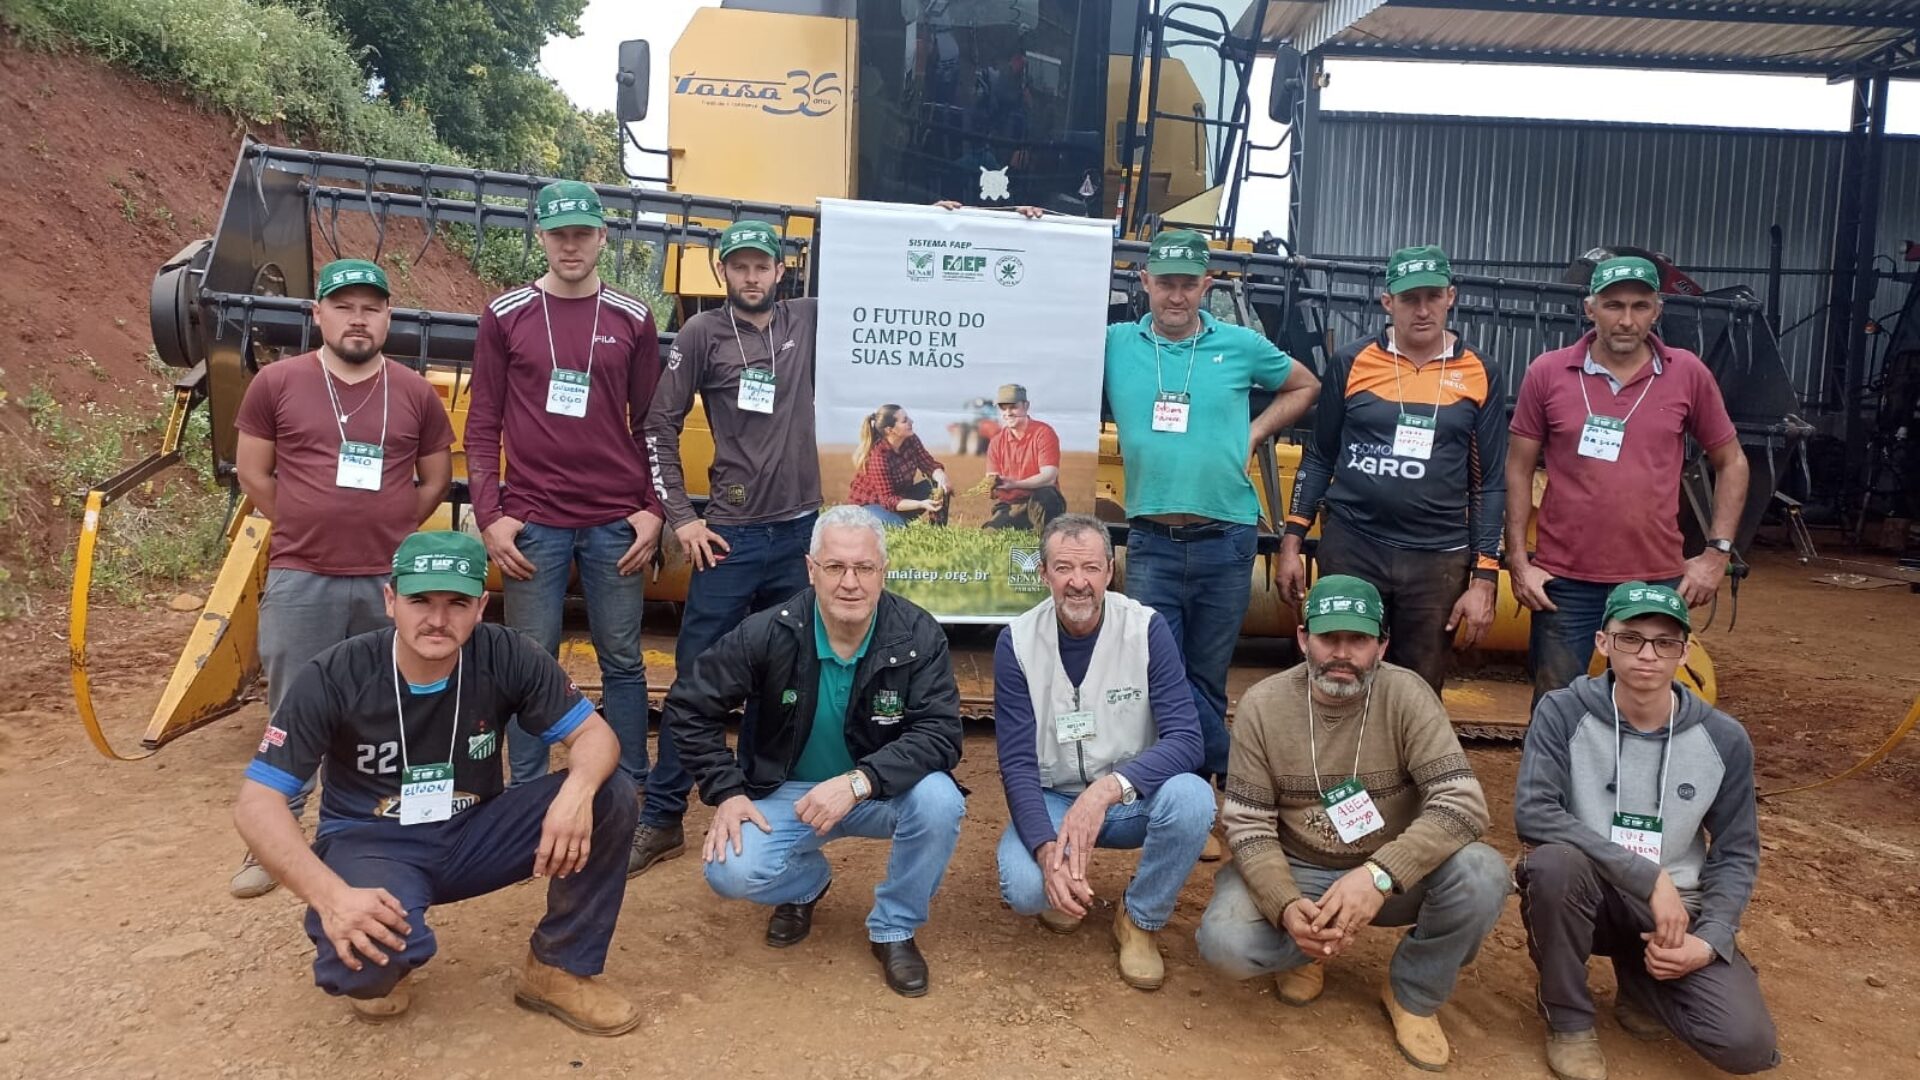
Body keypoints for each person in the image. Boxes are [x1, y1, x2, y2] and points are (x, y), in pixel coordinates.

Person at [232, 531, 641, 1032]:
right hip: (375, 841)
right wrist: (331, 896)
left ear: (480, 606)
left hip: (474, 833)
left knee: (609, 793)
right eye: (420, 600)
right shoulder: (336, 674)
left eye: (457, 603)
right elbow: (257, 802)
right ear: (390, 600)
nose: (438, 619)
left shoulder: (507, 653)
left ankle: (558, 969)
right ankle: (379, 944)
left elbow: (595, 736)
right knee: (366, 967)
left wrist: (576, 794)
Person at [1197, 575, 1508, 1072]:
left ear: (1381, 646)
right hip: (1302, 870)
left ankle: (1413, 992)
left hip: (1393, 877)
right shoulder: (1262, 705)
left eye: (1358, 640)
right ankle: (1308, 949)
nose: (1342, 654)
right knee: (1225, 943)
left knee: (1483, 873)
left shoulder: (1408, 696)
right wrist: (1285, 906)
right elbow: (1249, 824)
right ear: (1304, 639)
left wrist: (1378, 875)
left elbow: (1463, 802)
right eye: (1329, 638)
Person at [663, 506, 966, 998]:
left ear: (882, 572)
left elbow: (940, 734)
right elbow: (689, 705)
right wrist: (727, 791)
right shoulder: (768, 632)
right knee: (728, 872)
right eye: (835, 567)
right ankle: (806, 885)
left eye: (864, 568)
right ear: (811, 570)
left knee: (940, 801)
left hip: (874, 791)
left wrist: (858, 782)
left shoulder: (917, 634)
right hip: (789, 792)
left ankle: (894, 927)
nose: (850, 582)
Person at [228, 258, 454, 898]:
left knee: (393, 707)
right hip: (303, 575)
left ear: (388, 318)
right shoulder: (276, 383)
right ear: (318, 314)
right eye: (345, 306)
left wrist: (385, 529)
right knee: (293, 708)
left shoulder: (413, 391)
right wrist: (306, 521)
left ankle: (389, 834)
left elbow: (435, 481)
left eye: (371, 307)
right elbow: (253, 473)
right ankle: (272, 845)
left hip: (390, 578)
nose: (359, 318)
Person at [465, 180, 664, 866]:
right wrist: (491, 515)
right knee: (529, 661)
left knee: (623, 661)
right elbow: (483, 421)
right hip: (535, 524)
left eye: (583, 232)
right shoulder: (506, 314)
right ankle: (526, 797)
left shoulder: (634, 318)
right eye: (558, 234)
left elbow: (653, 424)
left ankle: (629, 789)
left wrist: (653, 509)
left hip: (614, 521)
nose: (571, 245)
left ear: (603, 237)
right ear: (541, 238)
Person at [1514, 581, 1778, 1079]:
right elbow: (1534, 812)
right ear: (1602, 642)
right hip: (1589, 892)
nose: (1646, 656)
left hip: (1676, 910)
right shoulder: (1563, 711)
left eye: (1664, 643)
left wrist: (1713, 936)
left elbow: (1736, 851)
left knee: (1746, 1045)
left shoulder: (1724, 739)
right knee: (1553, 865)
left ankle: (1641, 979)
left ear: (1684, 653)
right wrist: (1647, 876)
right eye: (1630, 639)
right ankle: (1568, 1020)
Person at [1104, 228, 1320, 808]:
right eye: (1165, 284)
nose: (1176, 297)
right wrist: (1031, 225)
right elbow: (1046, 313)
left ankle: (1195, 795)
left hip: (1226, 537)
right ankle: (1251, 773)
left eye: (1188, 285)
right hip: (1152, 538)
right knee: (1161, 671)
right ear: (1145, 283)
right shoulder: (1116, 342)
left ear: (1207, 284)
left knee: (1205, 673)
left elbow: (1305, 385)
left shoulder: (1241, 345)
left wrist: (1254, 431)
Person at [636, 219, 822, 873]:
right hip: (730, 539)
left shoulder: (808, 319)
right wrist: (681, 518)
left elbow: (893, 281)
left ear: (780, 272)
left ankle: (763, 813)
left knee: (787, 682)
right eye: (738, 266)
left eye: (761, 265)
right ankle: (663, 817)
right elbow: (658, 423)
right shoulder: (702, 334)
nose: (751, 276)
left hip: (801, 533)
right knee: (698, 682)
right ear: (722, 272)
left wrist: (940, 219)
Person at [1506, 256, 1750, 705]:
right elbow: (1518, 467)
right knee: (1556, 703)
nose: (1626, 319)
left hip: (1655, 577)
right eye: (1613, 305)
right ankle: (1552, 779)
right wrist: (1520, 563)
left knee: (1648, 700)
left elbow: (1732, 461)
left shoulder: (1687, 373)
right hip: (1565, 581)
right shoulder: (1548, 372)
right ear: (1589, 308)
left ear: (1657, 310)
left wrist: (1717, 554)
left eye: (1640, 306)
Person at [992, 514, 1212, 991]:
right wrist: (1047, 849)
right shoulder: (1017, 642)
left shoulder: (1146, 629)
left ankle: (1139, 919)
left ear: (1110, 571)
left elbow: (1187, 740)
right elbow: (1016, 763)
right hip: (1054, 801)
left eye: (1091, 568)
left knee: (1193, 799)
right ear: (1043, 573)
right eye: (1064, 568)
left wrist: (1107, 791)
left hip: (1128, 800)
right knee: (1025, 887)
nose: (1078, 583)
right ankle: (1062, 884)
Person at [1281, 245, 1507, 695]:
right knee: (1337, 669)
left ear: (1450, 297)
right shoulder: (1351, 362)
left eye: (1432, 296)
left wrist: (1484, 577)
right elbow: (1319, 455)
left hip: (1437, 558)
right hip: (1354, 545)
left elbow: (1489, 483)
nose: (1422, 310)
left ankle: (1406, 769)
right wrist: (1292, 541)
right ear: (1388, 302)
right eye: (1409, 299)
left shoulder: (1481, 372)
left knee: (1418, 689)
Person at [847, 403, 952, 526]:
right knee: (899, 525)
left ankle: (938, 529)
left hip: (899, 498)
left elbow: (928, 463)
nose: (911, 422)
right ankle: (892, 521)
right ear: (890, 430)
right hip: (870, 505)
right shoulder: (878, 456)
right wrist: (921, 504)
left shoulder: (911, 440)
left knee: (937, 486)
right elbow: (888, 500)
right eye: (905, 421)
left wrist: (941, 476)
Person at [982, 383, 1066, 530]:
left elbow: (1049, 476)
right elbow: (992, 478)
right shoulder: (996, 442)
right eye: (1003, 407)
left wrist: (1015, 484)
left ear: (1026, 406)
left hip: (1040, 501)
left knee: (1046, 496)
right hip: (1011, 505)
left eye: (1013, 407)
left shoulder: (1044, 433)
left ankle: (1045, 537)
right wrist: (992, 486)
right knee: (990, 535)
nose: (1008, 412)